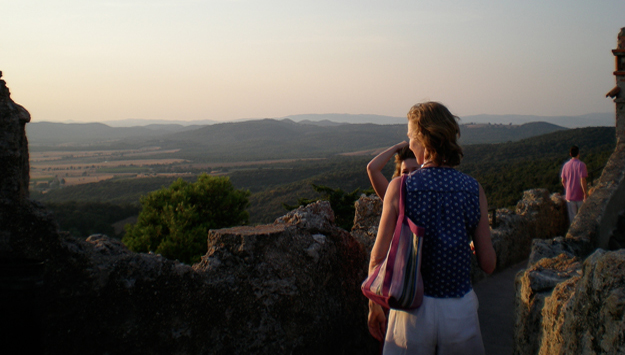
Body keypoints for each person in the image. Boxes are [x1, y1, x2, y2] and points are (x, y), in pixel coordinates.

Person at [367, 102, 496, 355]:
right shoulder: (473, 189)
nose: (409, 143)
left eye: (410, 137)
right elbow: (488, 263)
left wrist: (374, 306)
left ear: (422, 139)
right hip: (460, 312)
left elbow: (378, 257)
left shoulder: (400, 187)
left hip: (410, 314)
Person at [561, 145, 588, 224]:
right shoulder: (581, 165)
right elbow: (582, 180)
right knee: (582, 217)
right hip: (580, 195)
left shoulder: (565, 165)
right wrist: (585, 193)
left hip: (569, 196)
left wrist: (568, 189)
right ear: (578, 154)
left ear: (570, 154)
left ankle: (573, 235)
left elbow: (563, 180)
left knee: (572, 218)